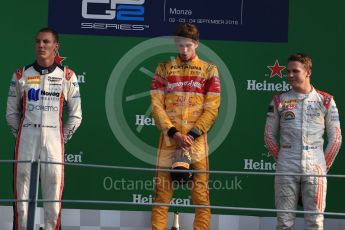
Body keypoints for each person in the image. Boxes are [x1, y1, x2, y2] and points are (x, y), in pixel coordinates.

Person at [6, 27, 82, 230]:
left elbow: (76, 116)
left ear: (56, 46)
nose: (41, 45)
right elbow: (11, 114)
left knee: (53, 199)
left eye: (46, 42)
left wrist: (60, 138)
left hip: (54, 142)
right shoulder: (21, 74)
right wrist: (23, 134)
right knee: (21, 200)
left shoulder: (67, 76)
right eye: (38, 41)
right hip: (26, 140)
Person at [150, 23, 221, 230]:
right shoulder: (163, 68)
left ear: (196, 44)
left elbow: (212, 109)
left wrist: (190, 135)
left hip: (196, 141)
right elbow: (156, 105)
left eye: (188, 45)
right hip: (170, 138)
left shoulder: (209, 69)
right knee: (162, 193)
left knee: (201, 194)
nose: (184, 50)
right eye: (180, 45)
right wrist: (174, 133)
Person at [264, 53, 342, 229]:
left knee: (315, 222)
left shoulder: (326, 100)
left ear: (308, 72)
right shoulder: (278, 100)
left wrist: (323, 165)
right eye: (288, 71)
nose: (290, 75)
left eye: (295, 71)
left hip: (316, 165)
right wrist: (284, 159)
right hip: (286, 164)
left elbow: (336, 138)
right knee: (284, 222)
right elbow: (268, 136)